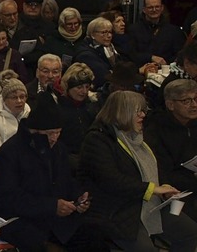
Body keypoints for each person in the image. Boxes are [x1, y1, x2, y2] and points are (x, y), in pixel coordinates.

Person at [79, 90, 197, 251]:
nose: (143, 115)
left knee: (190, 232)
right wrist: (152, 189)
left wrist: (164, 187)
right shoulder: (97, 140)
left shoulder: (138, 137)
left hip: (150, 204)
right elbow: (111, 180)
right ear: (122, 113)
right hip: (118, 209)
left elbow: (154, 169)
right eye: (138, 111)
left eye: (144, 110)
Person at [0, 91, 98, 251]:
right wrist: (52, 206)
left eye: (58, 132)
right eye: (50, 133)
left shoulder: (58, 149)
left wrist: (78, 197)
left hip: (53, 216)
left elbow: (65, 181)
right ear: (34, 130)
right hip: (19, 219)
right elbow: (5, 198)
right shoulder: (11, 152)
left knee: (93, 235)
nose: (54, 137)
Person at [145, 79, 197, 221]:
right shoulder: (156, 130)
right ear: (170, 105)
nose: (194, 105)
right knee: (188, 225)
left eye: (196, 99)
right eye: (186, 101)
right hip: (174, 193)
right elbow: (162, 172)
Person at [127, 0, 185, 66]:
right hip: (140, 72)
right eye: (150, 7)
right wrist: (150, 58)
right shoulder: (133, 30)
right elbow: (131, 54)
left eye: (157, 6)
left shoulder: (174, 31)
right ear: (144, 10)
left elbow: (179, 55)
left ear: (162, 8)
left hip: (166, 71)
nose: (154, 10)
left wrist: (165, 63)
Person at [57, 62, 96, 167]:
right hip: (66, 160)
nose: (84, 91)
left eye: (87, 86)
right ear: (68, 87)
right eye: (79, 87)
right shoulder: (58, 109)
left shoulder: (92, 108)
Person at [0, 77, 30, 160]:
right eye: (14, 97)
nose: (19, 101)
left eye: (22, 97)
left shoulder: (30, 114)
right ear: (4, 100)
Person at [74, 17, 124, 89]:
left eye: (110, 32)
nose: (109, 36)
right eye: (104, 32)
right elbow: (103, 77)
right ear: (92, 35)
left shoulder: (110, 49)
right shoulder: (86, 55)